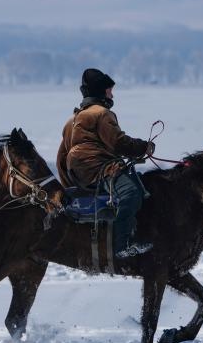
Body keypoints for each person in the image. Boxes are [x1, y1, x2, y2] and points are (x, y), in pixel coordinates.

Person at [56, 68, 155, 259]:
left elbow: (61, 157)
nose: (112, 94)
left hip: (79, 175)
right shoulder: (101, 114)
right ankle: (122, 246)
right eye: (109, 90)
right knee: (131, 193)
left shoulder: (71, 121)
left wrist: (70, 189)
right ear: (100, 91)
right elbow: (119, 142)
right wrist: (144, 147)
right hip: (99, 169)